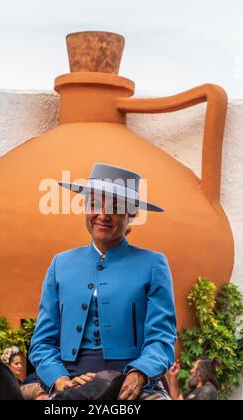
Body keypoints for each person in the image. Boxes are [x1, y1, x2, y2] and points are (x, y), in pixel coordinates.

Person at [29, 163, 177, 400]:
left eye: (116, 208)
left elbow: (162, 337)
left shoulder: (153, 264)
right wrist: (60, 379)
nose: (103, 214)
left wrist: (139, 374)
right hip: (72, 380)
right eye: (95, 204)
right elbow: (42, 341)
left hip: (132, 384)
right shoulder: (60, 264)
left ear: (132, 214)